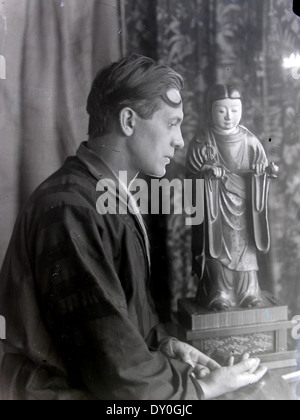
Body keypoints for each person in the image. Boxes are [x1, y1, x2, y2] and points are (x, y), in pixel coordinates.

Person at [0, 56, 267, 400]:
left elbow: (113, 321)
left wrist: (167, 345)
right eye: (172, 124)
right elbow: (113, 363)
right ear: (128, 121)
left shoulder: (104, 193)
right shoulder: (71, 208)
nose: (181, 141)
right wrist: (201, 388)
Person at [187, 84, 277, 312]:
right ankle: (219, 293)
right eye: (222, 110)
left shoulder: (250, 141)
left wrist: (262, 171)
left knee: (246, 248)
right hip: (214, 206)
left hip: (245, 207)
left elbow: (264, 170)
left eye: (235, 110)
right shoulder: (202, 141)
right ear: (211, 110)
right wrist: (207, 171)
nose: (229, 116)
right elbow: (192, 173)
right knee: (215, 247)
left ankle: (249, 292)